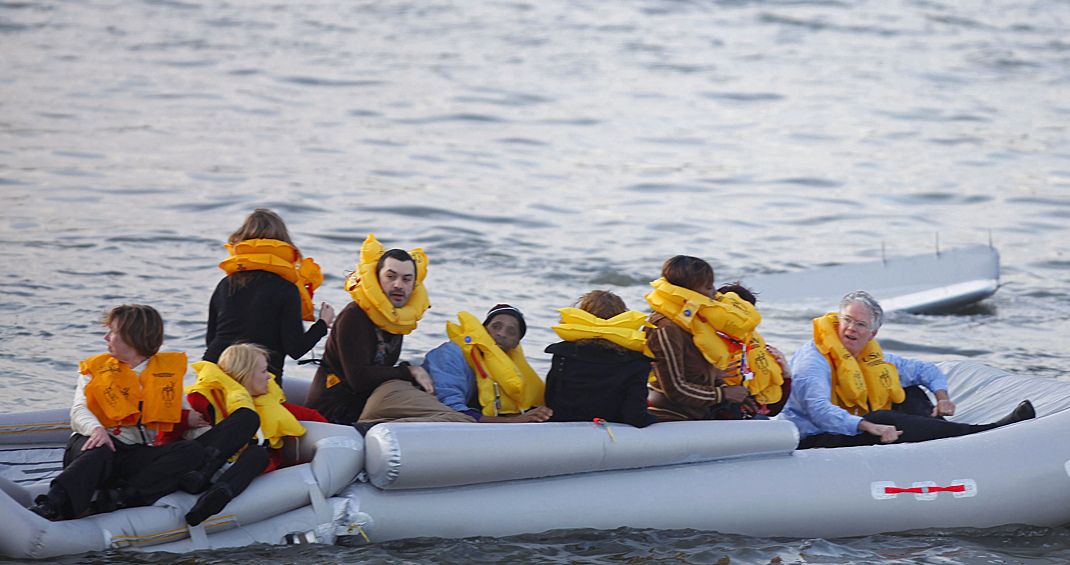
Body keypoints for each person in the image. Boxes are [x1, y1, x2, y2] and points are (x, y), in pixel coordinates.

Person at [779, 291, 1035, 448]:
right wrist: (869, 426)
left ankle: (940, 435)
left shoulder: (868, 355)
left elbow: (924, 370)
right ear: (837, 320)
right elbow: (819, 411)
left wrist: (942, 397)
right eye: (846, 320)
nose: (850, 329)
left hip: (848, 427)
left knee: (909, 388)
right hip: (814, 439)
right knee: (883, 418)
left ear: (872, 333)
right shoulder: (813, 359)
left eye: (860, 324)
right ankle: (981, 434)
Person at [29, 305, 206, 521]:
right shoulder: (95, 370)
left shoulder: (164, 376)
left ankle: (121, 497)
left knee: (192, 450)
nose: (106, 337)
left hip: (130, 456)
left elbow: (177, 414)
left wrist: (192, 421)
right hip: (89, 449)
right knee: (101, 448)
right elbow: (78, 410)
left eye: (113, 332)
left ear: (134, 338)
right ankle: (52, 506)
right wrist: (96, 430)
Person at [158, 343, 326, 526]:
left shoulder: (270, 405)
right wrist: (186, 420)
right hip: (197, 467)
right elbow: (166, 435)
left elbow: (313, 417)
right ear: (244, 374)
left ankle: (216, 497)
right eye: (263, 371)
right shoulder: (201, 401)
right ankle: (200, 480)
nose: (269, 376)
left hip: (235, 472)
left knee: (258, 454)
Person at [305, 234, 464, 425]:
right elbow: (359, 379)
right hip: (334, 413)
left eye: (406, 279)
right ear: (377, 278)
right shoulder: (354, 316)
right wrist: (409, 371)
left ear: (414, 285)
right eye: (391, 276)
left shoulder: (396, 321)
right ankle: (464, 422)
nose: (398, 284)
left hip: (367, 407)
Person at [645, 256, 789, 422]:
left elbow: (697, 374)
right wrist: (724, 394)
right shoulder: (665, 328)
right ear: (689, 291)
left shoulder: (695, 322)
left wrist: (734, 396)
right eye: (708, 288)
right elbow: (675, 388)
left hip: (701, 413)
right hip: (672, 415)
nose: (715, 293)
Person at [204, 208, 335, 387]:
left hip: (214, 370)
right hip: (260, 383)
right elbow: (295, 349)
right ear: (283, 244)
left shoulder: (226, 284)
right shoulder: (286, 289)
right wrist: (322, 324)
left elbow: (210, 339)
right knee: (312, 415)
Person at [543, 290, 657, 428]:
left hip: (564, 425)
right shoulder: (637, 363)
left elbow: (550, 398)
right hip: (612, 429)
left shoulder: (563, 354)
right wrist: (657, 420)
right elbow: (634, 415)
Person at [423, 304, 552, 423]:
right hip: (428, 415)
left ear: (516, 343)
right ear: (483, 329)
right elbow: (452, 410)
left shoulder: (513, 371)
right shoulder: (451, 353)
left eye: (511, 331)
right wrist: (512, 422)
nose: (501, 334)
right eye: (496, 326)